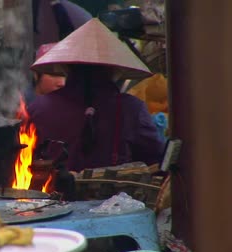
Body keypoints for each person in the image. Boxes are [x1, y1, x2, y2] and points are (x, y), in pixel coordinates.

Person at [29, 18, 165, 172]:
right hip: (114, 195)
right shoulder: (132, 109)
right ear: (114, 69)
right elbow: (155, 158)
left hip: (49, 194)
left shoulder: (39, 107)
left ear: (67, 67)